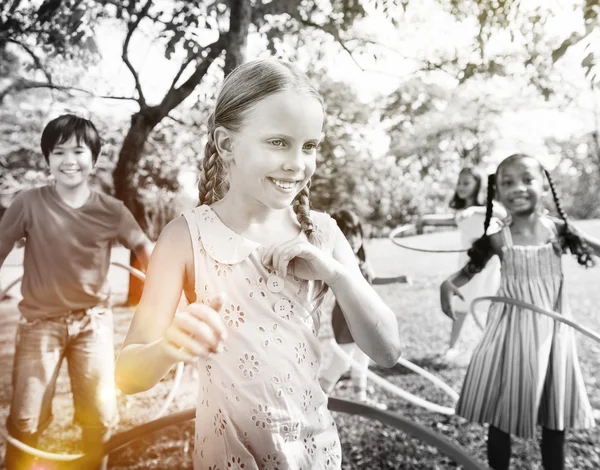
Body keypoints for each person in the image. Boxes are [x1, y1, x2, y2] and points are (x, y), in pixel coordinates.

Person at [114, 59, 401, 470]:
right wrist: (167, 347)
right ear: (227, 144)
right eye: (278, 142)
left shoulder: (321, 233)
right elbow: (127, 375)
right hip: (228, 456)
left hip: (313, 454)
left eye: (310, 146)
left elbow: (388, 351)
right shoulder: (184, 237)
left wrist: (337, 276)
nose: (297, 163)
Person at [0, 114, 153, 470]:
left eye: (79, 151)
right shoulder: (28, 203)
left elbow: (147, 252)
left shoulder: (112, 211)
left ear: (94, 158)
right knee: (26, 419)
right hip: (40, 324)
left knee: (99, 417)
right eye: (59, 152)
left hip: (93, 325)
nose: (69, 160)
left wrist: (172, 291)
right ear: (48, 159)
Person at [440, 153, 599, 470]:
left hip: (552, 335)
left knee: (555, 417)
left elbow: (595, 247)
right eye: (508, 182)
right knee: (503, 410)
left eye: (528, 179)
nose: (518, 188)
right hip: (511, 333)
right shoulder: (498, 237)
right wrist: (448, 284)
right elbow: (468, 271)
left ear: (545, 185)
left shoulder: (558, 231)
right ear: (496, 193)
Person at [318, 209, 387, 409]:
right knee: (343, 360)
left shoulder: (362, 260)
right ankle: (320, 396)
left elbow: (371, 280)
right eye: (345, 236)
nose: (353, 239)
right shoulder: (338, 262)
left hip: (365, 316)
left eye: (355, 233)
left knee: (363, 357)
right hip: (347, 316)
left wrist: (399, 279)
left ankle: (360, 396)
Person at [444, 167, 506, 358]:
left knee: (489, 305)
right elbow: (447, 220)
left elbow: (502, 212)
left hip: (487, 265)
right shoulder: (461, 211)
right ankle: (452, 346)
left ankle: (491, 346)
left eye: (466, 183)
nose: (461, 187)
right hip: (467, 263)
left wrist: (474, 210)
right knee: (462, 305)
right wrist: (424, 220)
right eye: (459, 183)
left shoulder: (487, 208)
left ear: (478, 185)